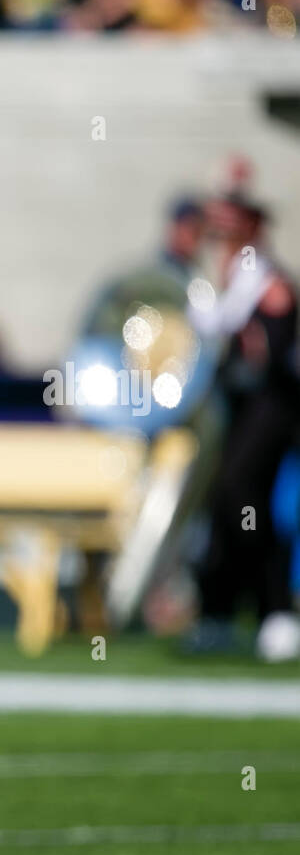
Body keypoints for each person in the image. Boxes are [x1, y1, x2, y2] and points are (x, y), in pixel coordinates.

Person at [185, 186, 300, 661]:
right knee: (223, 506)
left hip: (270, 410)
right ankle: (218, 612)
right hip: (233, 410)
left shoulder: (267, 282)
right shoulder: (221, 281)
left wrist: (255, 344)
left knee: (244, 499)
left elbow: (271, 354)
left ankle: (276, 611)